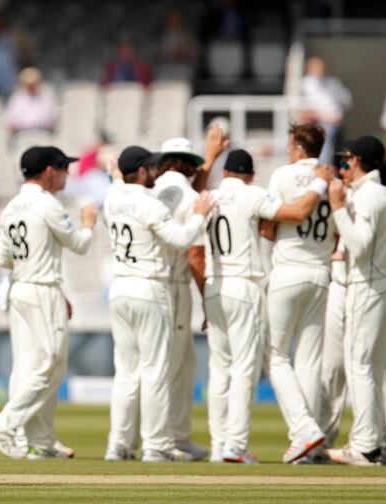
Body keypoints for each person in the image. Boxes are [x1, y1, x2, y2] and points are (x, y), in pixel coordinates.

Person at [201, 149, 332, 464]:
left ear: (225, 173)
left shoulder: (208, 198)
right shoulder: (252, 195)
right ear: (250, 175)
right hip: (243, 285)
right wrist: (318, 185)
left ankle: (220, 445)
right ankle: (236, 445)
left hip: (212, 287)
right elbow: (296, 213)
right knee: (245, 370)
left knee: (219, 370)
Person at [0, 146, 97, 460]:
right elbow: (79, 245)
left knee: (35, 365)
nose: (67, 174)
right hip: (41, 290)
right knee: (50, 364)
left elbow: (4, 258)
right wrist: (88, 222)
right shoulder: (48, 204)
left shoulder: (11, 207)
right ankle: (5, 423)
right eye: (63, 168)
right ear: (48, 171)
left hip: (20, 289)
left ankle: (41, 439)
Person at [102, 146, 211, 463]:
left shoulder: (113, 197)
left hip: (119, 289)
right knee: (156, 371)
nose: (155, 171)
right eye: (150, 167)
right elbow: (180, 239)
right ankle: (156, 445)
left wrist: (113, 171)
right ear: (140, 172)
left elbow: (115, 182)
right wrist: (200, 215)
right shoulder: (147, 204)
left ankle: (118, 444)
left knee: (126, 372)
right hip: (150, 289)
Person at [150, 128, 228, 461]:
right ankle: (166, 440)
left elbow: (188, 194)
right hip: (175, 286)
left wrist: (209, 158)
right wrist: (207, 300)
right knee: (174, 367)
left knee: (173, 365)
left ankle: (174, 437)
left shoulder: (156, 190)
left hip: (154, 282)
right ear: (188, 166)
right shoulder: (183, 193)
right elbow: (196, 255)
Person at [263, 123, 333, 463]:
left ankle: (304, 429)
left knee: (275, 356)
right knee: (309, 360)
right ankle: (310, 445)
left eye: (290, 144)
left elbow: (267, 225)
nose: (287, 149)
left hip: (288, 270)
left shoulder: (283, 175)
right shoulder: (330, 180)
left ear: (298, 148)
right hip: (321, 273)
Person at [325, 136, 386, 466]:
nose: (344, 166)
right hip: (379, 286)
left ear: (358, 161)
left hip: (366, 286)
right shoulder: (382, 195)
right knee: (371, 366)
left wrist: (338, 207)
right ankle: (376, 444)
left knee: (361, 367)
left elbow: (360, 243)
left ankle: (366, 446)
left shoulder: (369, 197)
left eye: (347, 160)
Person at [300, 57, 352, 164]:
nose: (321, 69)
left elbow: (347, 100)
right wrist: (323, 117)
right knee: (323, 152)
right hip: (317, 124)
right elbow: (304, 109)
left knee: (338, 154)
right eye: (317, 67)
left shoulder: (332, 82)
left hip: (335, 126)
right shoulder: (305, 84)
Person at [5, 67, 56, 132]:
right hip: (21, 134)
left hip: (42, 133)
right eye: (28, 84)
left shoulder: (46, 98)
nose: (31, 87)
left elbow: (50, 121)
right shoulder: (16, 99)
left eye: (33, 83)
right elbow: (13, 121)